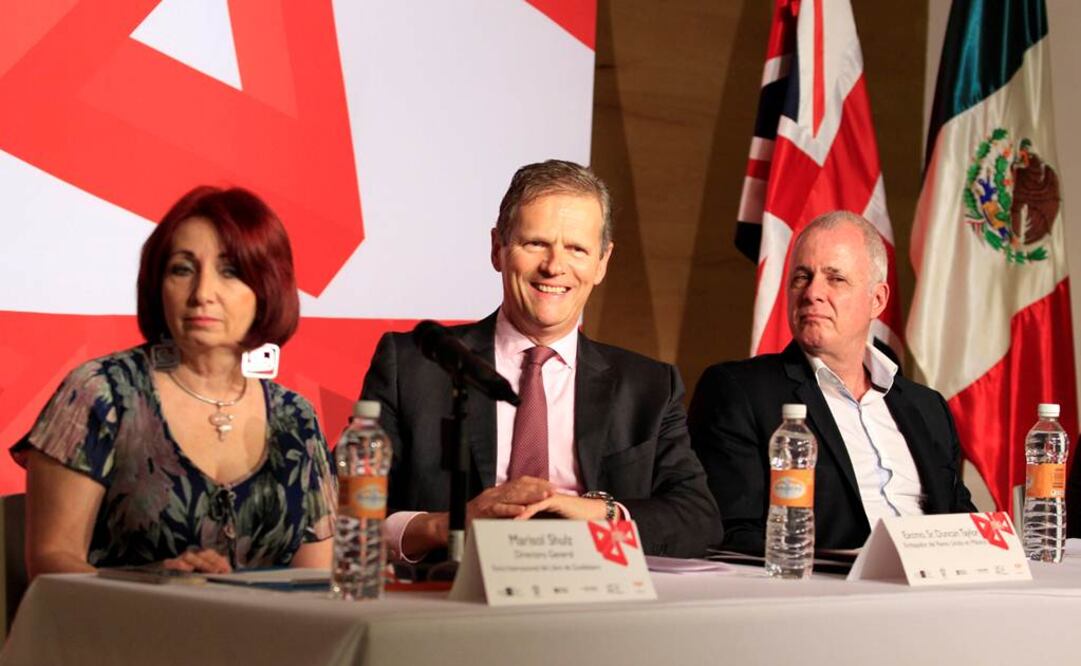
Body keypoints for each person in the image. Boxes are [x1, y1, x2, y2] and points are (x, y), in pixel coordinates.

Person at [363, 159, 721, 560]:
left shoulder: (649, 386)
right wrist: (454, 525)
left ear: (602, 263)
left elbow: (698, 518)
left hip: (597, 604)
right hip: (449, 603)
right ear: (498, 248)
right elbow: (355, 517)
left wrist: (595, 511)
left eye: (577, 249)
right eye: (536, 244)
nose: (554, 266)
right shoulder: (412, 366)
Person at [14, 187, 336, 578]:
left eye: (230, 271)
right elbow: (50, 564)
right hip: (121, 634)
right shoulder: (100, 393)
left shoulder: (296, 418)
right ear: (157, 284)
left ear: (266, 288)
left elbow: (317, 581)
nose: (202, 294)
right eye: (182, 269)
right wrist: (152, 581)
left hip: (266, 638)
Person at [689, 210, 975, 553]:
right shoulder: (740, 392)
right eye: (802, 277)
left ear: (878, 300)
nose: (812, 293)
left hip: (937, 589)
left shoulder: (927, 407)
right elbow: (733, 532)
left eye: (835, 279)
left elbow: (963, 524)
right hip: (829, 592)